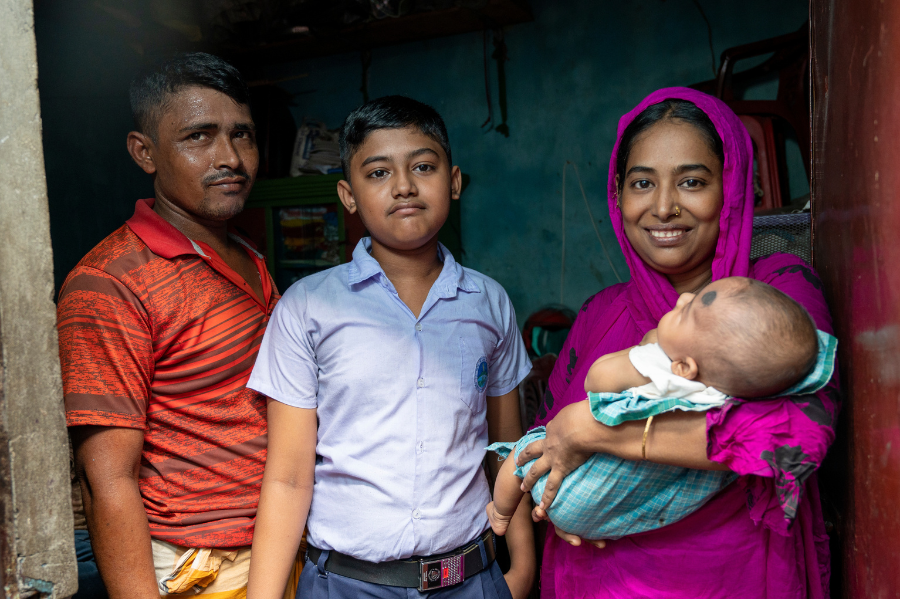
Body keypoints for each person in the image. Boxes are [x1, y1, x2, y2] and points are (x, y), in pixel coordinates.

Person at [516, 88, 839, 598]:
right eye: (642, 183)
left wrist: (593, 431)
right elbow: (545, 440)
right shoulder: (601, 313)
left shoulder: (780, 291)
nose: (664, 207)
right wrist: (556, 498)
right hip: (596, 580)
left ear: (732, 188)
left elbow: (798, 436)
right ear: (618, 194)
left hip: (736, 580)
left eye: (692, 182)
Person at [244, 96, 536, 599]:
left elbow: (507, 453)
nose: (403, 185)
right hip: (346, 584)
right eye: (378, 173)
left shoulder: (490, 303)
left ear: (455, 180)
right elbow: (289, 477)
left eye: (423, 166)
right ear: (348, 195)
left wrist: (523, 569)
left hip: (472, 580)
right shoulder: (308, 307)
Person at [58, 53, 286, 598]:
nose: (229, 157)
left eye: (242, 135)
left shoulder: (247, 257)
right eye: (199, 137)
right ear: (145, 152)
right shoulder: (108, 283)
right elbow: (106, 480)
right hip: (194, 567)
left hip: (277, 549)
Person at [486, 276, 834, 541]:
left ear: (685, 368)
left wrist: (645, 347)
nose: (682, 299)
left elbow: (598, 379)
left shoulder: (665, 364)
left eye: (686, 312)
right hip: (612, 515)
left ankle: (499, 515)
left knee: (520, 454)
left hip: (571, 486)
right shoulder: (738, 386)